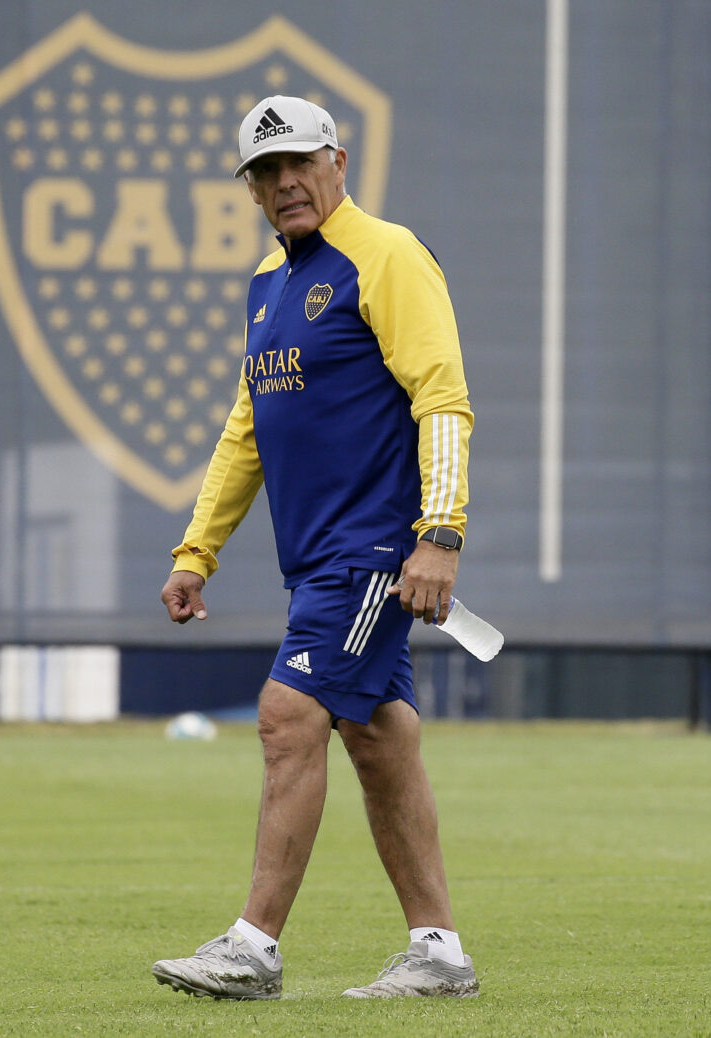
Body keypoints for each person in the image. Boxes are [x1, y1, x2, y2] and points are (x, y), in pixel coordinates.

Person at [152, 95, 477, 1000]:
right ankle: (439, 953)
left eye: (299, 161)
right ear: (251, 190)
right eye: (265, 171)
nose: (285, 181)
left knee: (287, 715)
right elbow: (246, 429)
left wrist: (439, 534)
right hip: (322, 560)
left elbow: (442, 398)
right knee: (378, 738)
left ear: (339, 160)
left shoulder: (388, 254)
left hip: (372, 552)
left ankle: (252, 948)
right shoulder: (270, 281)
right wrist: (196, 551)